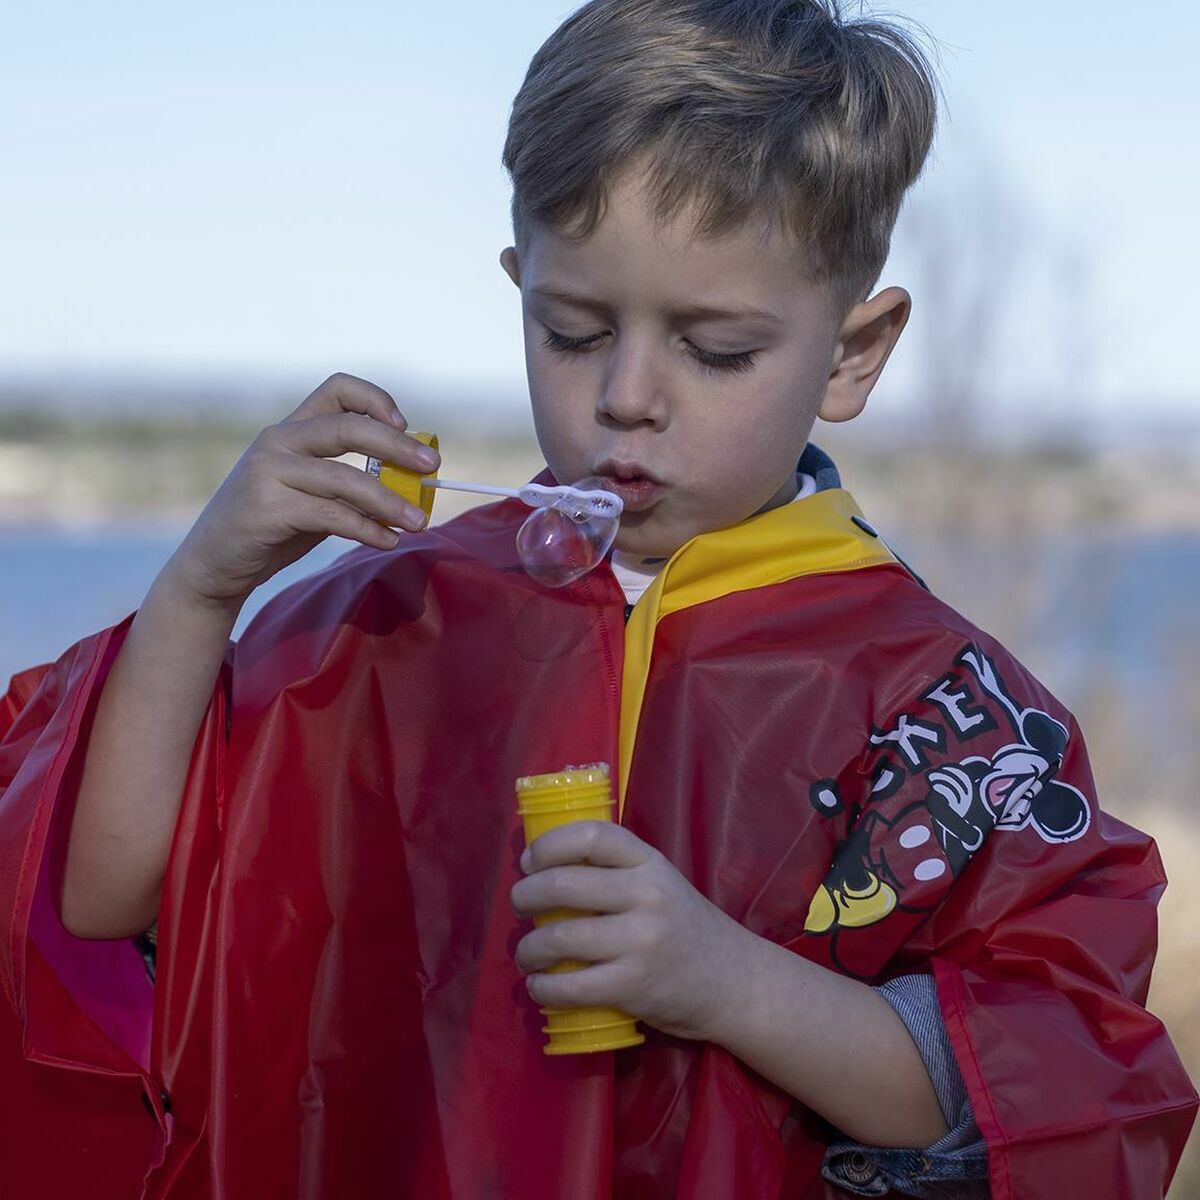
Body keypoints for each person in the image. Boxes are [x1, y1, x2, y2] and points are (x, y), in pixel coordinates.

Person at [1, 2, 1196, 1197]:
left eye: (715, 350)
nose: (627, 396)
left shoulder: (944, 708)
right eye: (572, 332)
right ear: (521, 287)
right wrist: (203, 586)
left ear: (852, 353)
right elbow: (105, 897)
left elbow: (1039, 1094)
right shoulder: (387, 625)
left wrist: (725, 981)